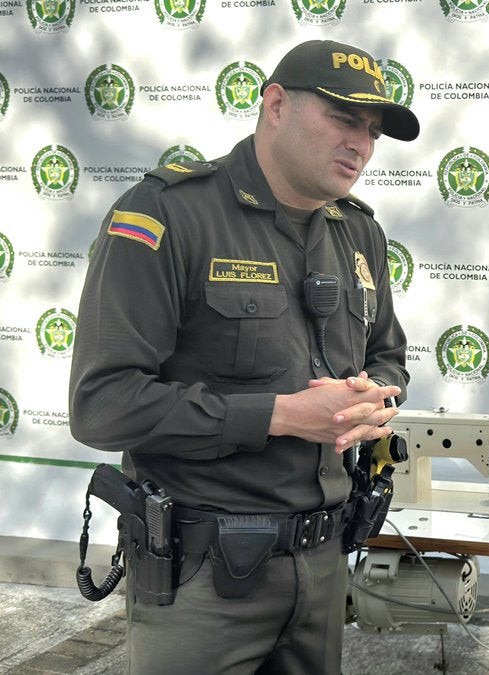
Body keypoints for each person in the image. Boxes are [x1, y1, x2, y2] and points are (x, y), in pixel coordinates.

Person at [69, 39, 418, 674]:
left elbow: (389, 357)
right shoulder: (168, 215)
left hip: (322, 566)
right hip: (201, 581)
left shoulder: (360, 231)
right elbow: (102, 405)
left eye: (372, 131)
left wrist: (371, 396)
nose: (362, 145)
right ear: (277, 105)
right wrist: (280, 415)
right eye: (344, 119)